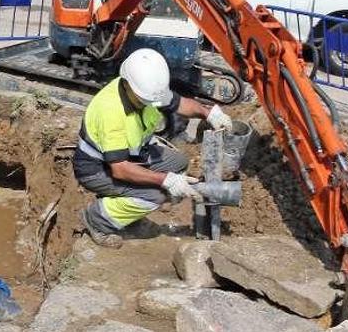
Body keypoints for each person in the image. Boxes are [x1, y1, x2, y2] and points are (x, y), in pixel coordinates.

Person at [74, 49, 233, 248]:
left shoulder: (145, 92)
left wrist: (209, 114)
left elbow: (179, 103)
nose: (152, 104)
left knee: (179, 162)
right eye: (146, 100)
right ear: (128, 84)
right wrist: (167, 180)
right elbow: (120, 169)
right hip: (97, 170)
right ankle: (96, 219)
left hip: (135, 155)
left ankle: (125, 203)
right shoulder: (111, 112)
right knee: (154, 197)